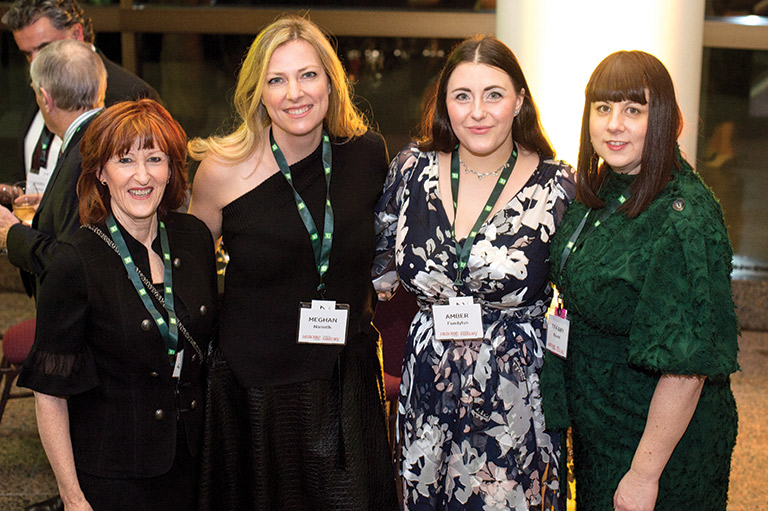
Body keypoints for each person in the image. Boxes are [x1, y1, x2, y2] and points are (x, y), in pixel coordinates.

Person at [187, 15, 398, 510]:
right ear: (257, 92)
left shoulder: (368, 155)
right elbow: (189, 276)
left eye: (308, 75)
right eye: (276, 80)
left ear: (331, 81)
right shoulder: (222, 170)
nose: (294, 93)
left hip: (344, 382)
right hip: (253, 390)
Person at [373, 35, 575, 510]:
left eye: (494, 95)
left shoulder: (557, 186)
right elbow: (376, 265)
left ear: (519, 101)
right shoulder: (411, 171)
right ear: (444, 104)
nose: (477, 112)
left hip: (513, 401)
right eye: (462, 96)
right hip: (427, 395)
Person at [540, 50, 739, 511]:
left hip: (655, 447)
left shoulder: (683, 215)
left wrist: (644, 475)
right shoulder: (606, 186)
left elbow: (686, 369)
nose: (614, 125)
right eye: (603, 108)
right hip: (602, 427)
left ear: (664, 118)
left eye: (633, 110)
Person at [17, 98, 218, 511]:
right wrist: (72, 497)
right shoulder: (75, 261)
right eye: (124, 160)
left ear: (171, 169)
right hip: (112, 475)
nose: (142, 176)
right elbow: (50, 395)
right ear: (100, 172)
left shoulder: (195, 238)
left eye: (155, 159)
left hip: (193, 466)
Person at [1, 0, 159, 189]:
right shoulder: (40, 78)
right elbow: (29, 167)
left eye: (44, 48)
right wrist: (16, 193)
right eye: (28, 54)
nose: (35, 62)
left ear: (76, 34)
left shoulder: (132, 94)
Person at [0, 39, 105, 300]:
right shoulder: (102, 135)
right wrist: (51, 204)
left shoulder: (83, 155)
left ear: (46, 99)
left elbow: (69, 264)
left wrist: (11, 234)